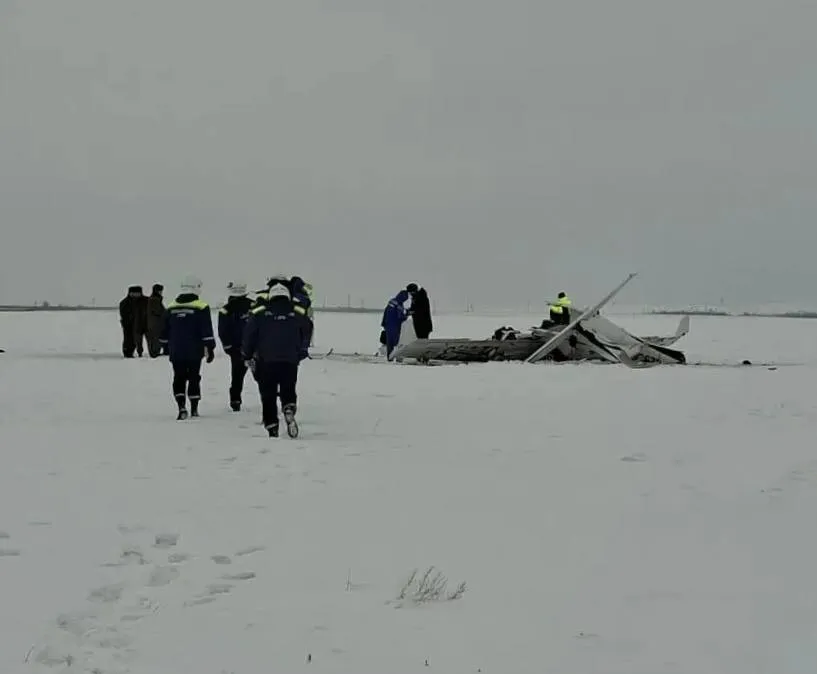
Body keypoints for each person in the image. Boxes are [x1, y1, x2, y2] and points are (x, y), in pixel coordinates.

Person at [241, 282, 306, 438]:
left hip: (266, 360)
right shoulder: (297, 312)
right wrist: (301, 351)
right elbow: (306, 330)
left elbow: (249, 335)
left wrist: (247, 355)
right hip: (290, 359)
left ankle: (272, 426)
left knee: (268, 394)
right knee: (288, 387)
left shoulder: (259, 312)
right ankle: (289, 406)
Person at [159, 276, 216, 420]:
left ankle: (181, 406)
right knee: (194, 377)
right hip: (194, 350)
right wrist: (210, 348)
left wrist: (164, 345)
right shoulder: (202, 306)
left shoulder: (171, 307)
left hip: (176, 350)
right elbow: (206, 330)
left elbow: (164, 330)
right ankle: (194, 408)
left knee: (178, 377)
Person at [218, 281, 253, 411]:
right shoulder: (254, 305)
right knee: (263, 375)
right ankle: (271, 398)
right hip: (255, 347)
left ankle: (235, 400)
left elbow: (223, 330)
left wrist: (227, 346)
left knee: (237, 376)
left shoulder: (226, 309)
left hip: (236, 348)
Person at [119, 285, 148, 358]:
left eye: (137, 293)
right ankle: (128, 352)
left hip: (144, 323)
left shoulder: (146, 300)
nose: (135, 294)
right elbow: (123, 314)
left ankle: (153, 352)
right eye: (133, 293)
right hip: (129, 324)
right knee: (129, 339)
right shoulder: (124, 302)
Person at [381, 289, 410, 360]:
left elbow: (385, 312)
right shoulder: (399, 304)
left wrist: (383, 323)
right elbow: (400, 317)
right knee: (397, 342)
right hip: (395, 326)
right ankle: (398, 358)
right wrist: (407, 315)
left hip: (388, 325)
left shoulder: (392, 301)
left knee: (389, 342)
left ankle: (389, 357)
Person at [289, 276, 314, 360]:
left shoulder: (289, 293)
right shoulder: (298, 294)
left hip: (292, 319)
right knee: (308, 326)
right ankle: (304, 349)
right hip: (298, 319)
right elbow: (306, 303)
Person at [146, 283, 166, 357]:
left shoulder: (155, 299)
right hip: (155, 323)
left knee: (155, 339)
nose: (161, 292)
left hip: (154, 323)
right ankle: (154, 353)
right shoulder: (154, 299)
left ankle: (155, 352)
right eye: (160, 291)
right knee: (155, 339)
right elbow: (158, 311)